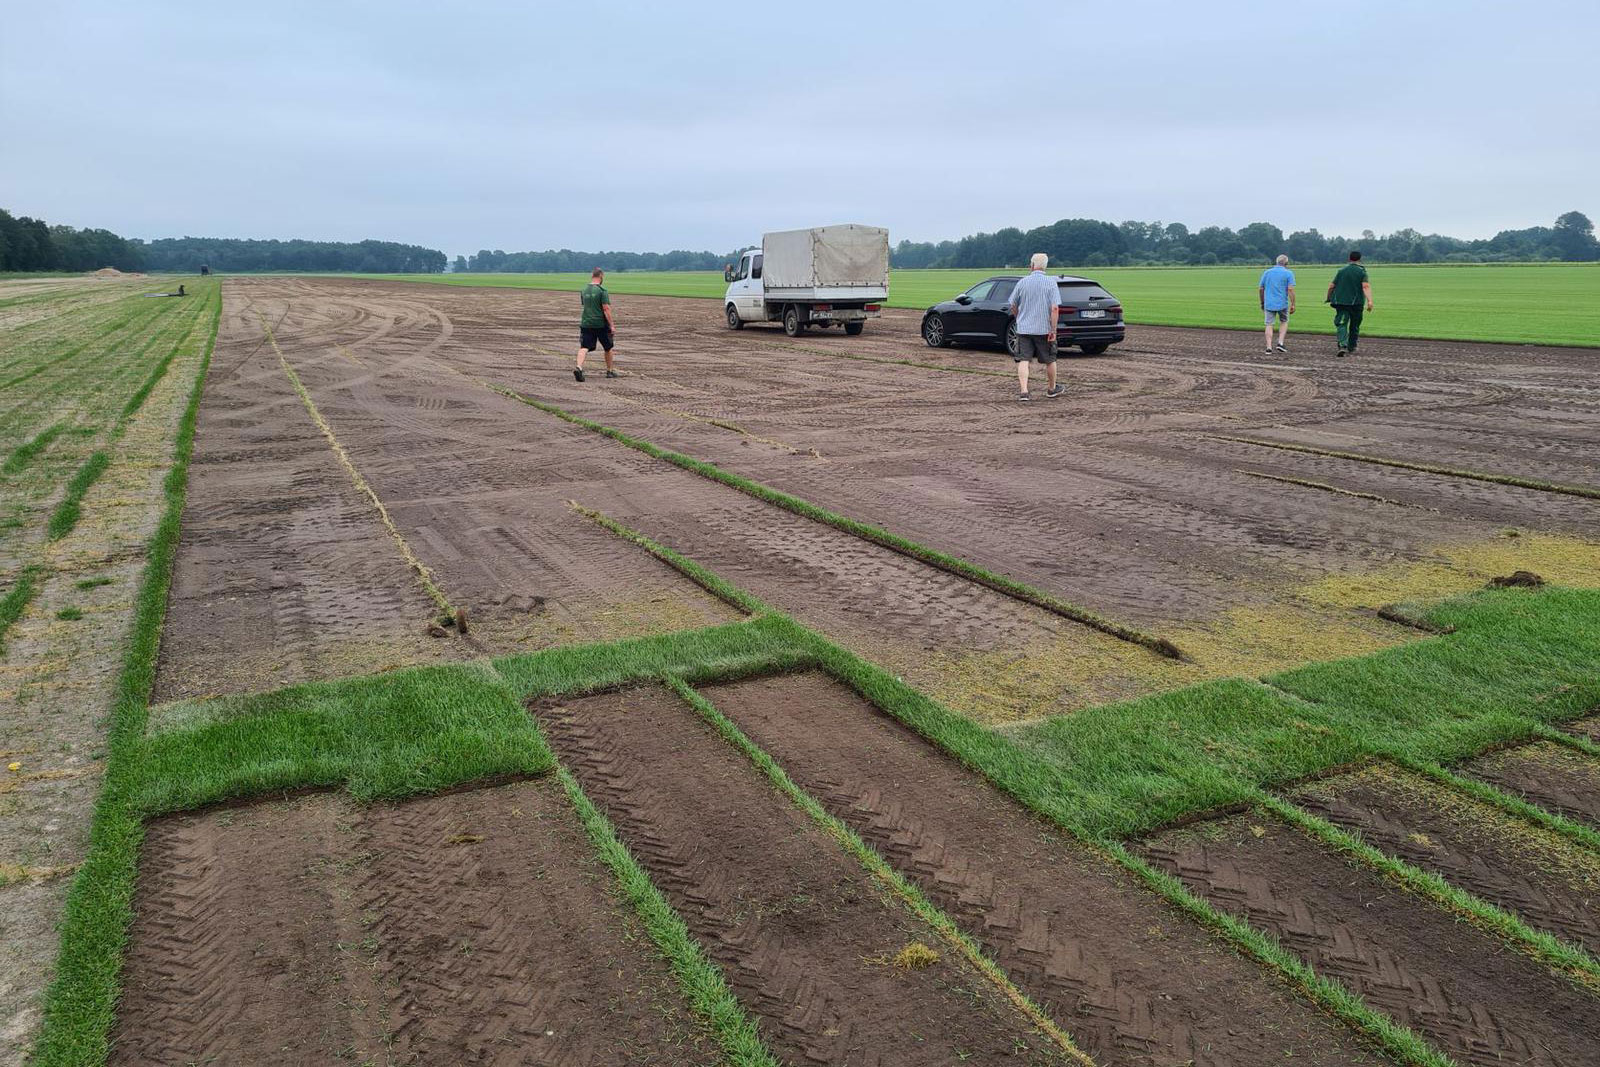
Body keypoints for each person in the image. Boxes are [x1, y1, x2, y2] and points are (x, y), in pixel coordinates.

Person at [1007, 252, 1064, 401]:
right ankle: (1051, 389)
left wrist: (1019, 317)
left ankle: (1024, 391)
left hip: (1024, 329)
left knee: (1023, 360)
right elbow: (1055, 309)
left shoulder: (1022, 282)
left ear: (1032, 266)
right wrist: (1053, 329)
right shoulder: (1051, 283)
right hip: (1044, 329)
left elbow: (1012, 304)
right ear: (1045, 267)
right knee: (1050, 360)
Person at [1325, 251, 1373, 357]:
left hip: (1341, 302)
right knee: (1355, 325)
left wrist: (1328, 297)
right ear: (1360, 259)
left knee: (1342, 323)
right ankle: (1352, 346)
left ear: (1349, 258)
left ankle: (1342, 345)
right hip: (1357, 303)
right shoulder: (1362, 272)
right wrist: (1370, 301)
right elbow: (1365, 286)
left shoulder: (1341, 270)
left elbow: (1331, 286)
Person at [574, 267, 617, 381]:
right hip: (600, 324)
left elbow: (586, 306)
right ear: (601, 276)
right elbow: (606, 309)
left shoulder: (584, 291)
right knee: (608, 347)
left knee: (584, 347)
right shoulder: (602, 291)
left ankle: (579, 367)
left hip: (586, 323)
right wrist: (612, 325)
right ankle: (609, 371)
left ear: (592, 276)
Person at [1258, 254, 1295, 353]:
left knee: (1269, 324)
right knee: (1284, 321)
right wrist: (1293, 303)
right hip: (1282, 303)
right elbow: (1290, 289)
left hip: (1269, 303)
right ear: (1286, 263)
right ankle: (1280, 343)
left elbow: (1261, 288)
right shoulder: (1288, 273)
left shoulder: (1267, 272)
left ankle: (1268, 347)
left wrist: (1262, 302)